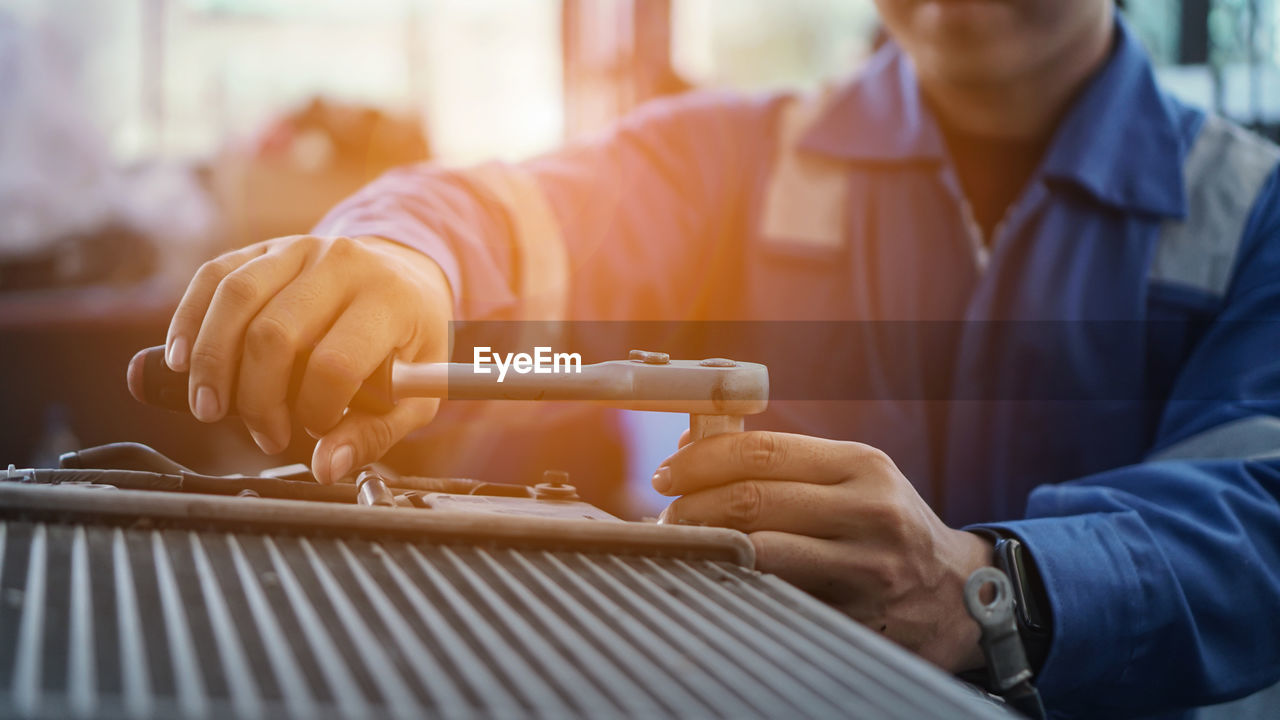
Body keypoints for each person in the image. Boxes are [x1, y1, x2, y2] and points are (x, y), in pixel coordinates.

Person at [160, 1, 1280, 717]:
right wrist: (408, 259)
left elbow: (1259, 516)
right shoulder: (735, 154)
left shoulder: (1252, 211)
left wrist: (990, 591)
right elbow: (517, 212)